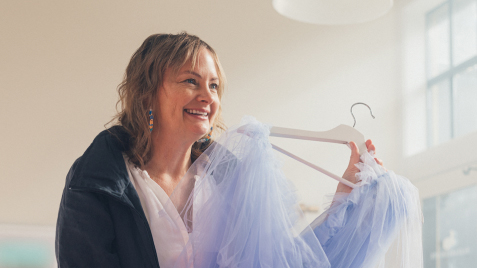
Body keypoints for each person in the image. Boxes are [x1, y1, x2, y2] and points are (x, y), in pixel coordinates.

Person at [55, 32, 382, 268]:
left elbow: (284, 261)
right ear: (147, 94)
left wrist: (343, 197)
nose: (208, 97)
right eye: (190, 81)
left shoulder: (229, 180)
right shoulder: (97, 183)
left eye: (214, 86)